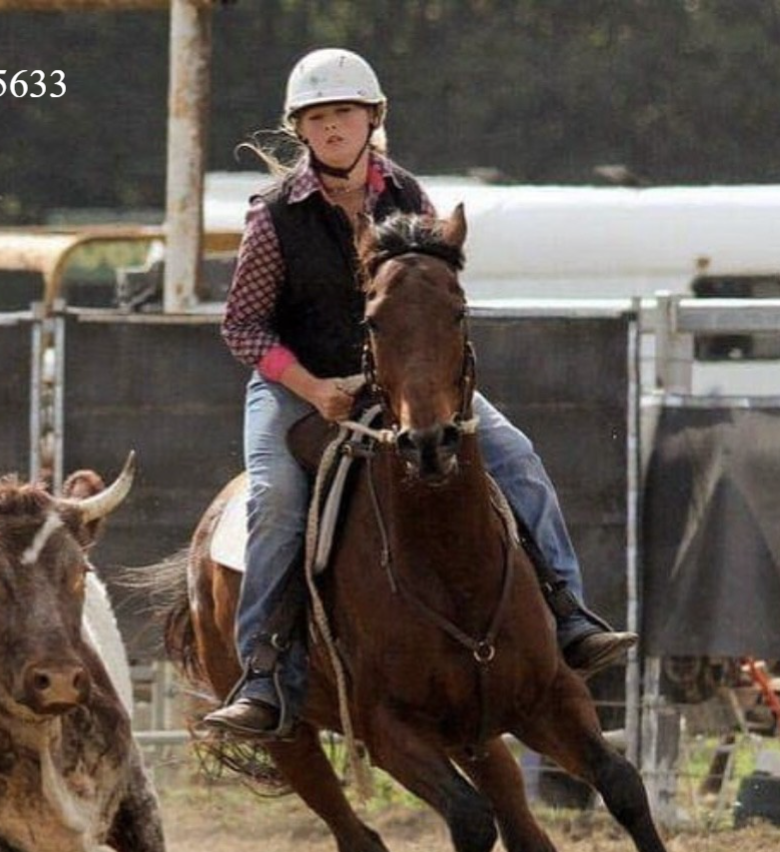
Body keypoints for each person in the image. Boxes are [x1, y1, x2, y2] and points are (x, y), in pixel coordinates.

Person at [204, 48, 637, 739]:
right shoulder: (273, 216)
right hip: (298, 386)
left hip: (404, 377)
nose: (331, 127)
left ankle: (569, 615)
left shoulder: (409, 196)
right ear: (300, 130)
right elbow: (242, 326)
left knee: (516, 456)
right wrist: (313, 388)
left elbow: (435, 293)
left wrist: (424, 372)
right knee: (275, 499)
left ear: (372, 118)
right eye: (316, 117)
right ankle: (262, 671)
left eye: (344, 112)